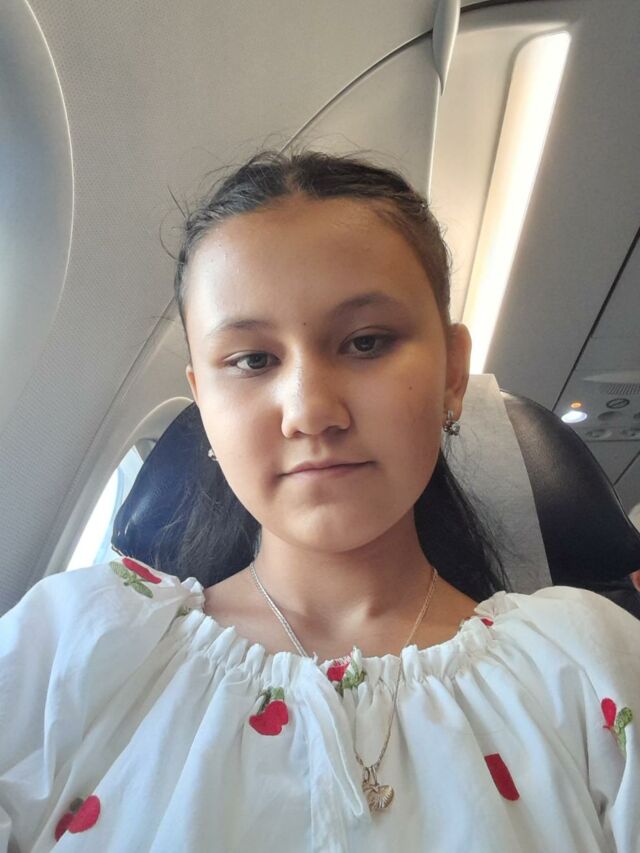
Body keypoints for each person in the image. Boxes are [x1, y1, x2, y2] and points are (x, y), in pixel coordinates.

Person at [0, 147, 638, 852]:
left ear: (453, 374)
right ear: (203, 401)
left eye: (366, 343)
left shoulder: (590, 670)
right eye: (252, 360)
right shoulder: (70, 650)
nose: (310, 411)